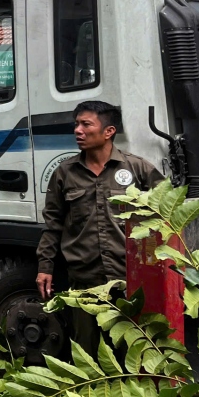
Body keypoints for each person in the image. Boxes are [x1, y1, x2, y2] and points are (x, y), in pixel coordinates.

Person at [35, 101, 164, 352]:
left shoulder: (138, 169)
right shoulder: (65, 173)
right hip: (85, 282)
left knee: (133, 351)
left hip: (127, 280)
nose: (78, 130)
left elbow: (166, 217)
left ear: (109, 131)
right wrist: (45, 266)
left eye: (86, 124)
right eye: (76, 124)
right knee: (88, 353)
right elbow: (53, 225)